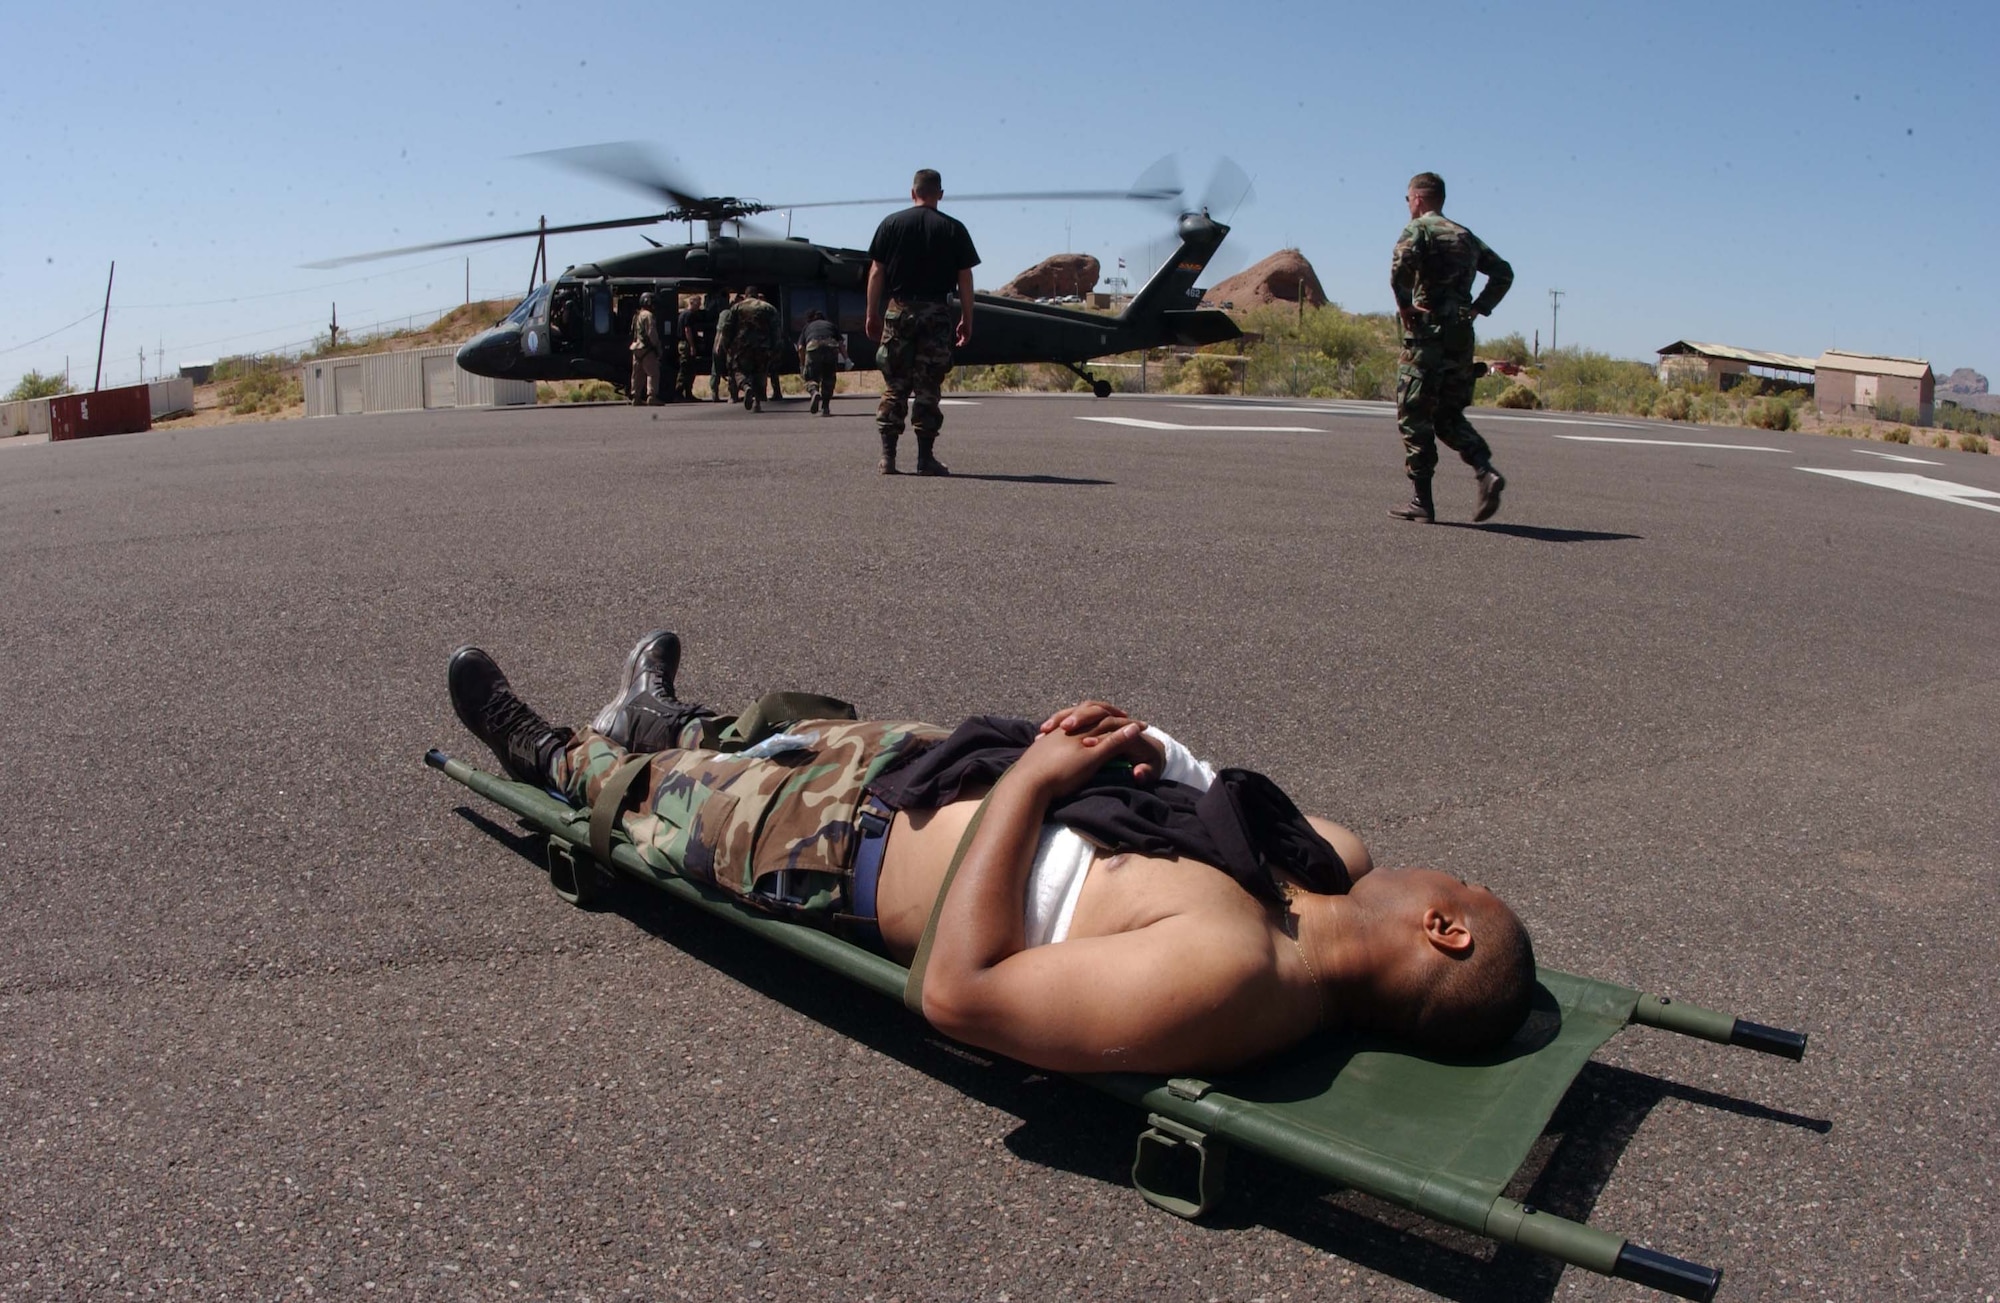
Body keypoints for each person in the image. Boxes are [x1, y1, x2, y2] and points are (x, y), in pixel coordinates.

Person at [445, 632, 1537, 1076]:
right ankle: (661, 714)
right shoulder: (1321, 878)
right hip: (922, 774)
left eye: (1462, 885)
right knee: (779, 731)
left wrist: (1032, 782)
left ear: (1443, 928)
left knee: (658, 800)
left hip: (838, 846)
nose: (1446, 865)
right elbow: (1229, 813)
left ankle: (551, 751)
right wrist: (1128, 745)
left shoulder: (1236, 973)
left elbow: (962, 997)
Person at [1389, 172, 1514, 524]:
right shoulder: (1466, 236)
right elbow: (1503, 272)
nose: (1408, 206)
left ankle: (1421, 501)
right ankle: (1484, 470)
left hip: (1426, 338)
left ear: (1418, 198)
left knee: (1414, 414)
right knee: (1447, 416)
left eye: (1408, 199)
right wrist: (1478, 308)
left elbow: (1399, 271)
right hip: (1460, 339)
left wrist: (1405, 307)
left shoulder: (1420, 230)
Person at [865, 168, 979, 476]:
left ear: (912, 192)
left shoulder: (891, 224)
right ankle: (925, 458)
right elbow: (965, 278)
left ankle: (888, 457)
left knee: (895, 384)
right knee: (928, 385)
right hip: (936, 314)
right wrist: (967, 319)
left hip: (899, 311)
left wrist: (872, 313)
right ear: (940, 194)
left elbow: (876, 272)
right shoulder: (954, 229)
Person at [728, 288, 781, 413]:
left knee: (738, 370)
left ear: (745, 295)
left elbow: (728, 328)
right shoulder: (768, 308)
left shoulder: (736, 308)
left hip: (742, 346)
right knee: (760, 373)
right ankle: (757, 403)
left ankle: (745, 387)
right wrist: (775, 348)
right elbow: (776, 330)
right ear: (757, 295)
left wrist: (727, 345)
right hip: (763, 346)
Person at [798, 309, 843, 416]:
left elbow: (800, 348)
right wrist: (846, 359)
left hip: (814, 347)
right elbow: (841, 344)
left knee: (810, 378)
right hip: (831, 347)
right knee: (829, 378)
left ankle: (814, 392)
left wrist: (803, 364)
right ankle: (825, 407)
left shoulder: (807, 327)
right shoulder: (830, 325)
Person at [676, 293, 719, 402]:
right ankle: (678, 393)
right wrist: (692, 346)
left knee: (690, 369)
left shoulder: (683, 314)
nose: (699, 306)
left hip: (684, 344)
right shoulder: (689, 315)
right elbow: (687, 330)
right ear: (692, 303)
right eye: (698, 304)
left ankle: (688, 393)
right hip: (686, 344)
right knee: (685, 369)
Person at [628, 292, 665, 406]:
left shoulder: (637, 315)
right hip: (647, 349)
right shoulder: (648, 315)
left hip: (636, 348)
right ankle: (652, 396)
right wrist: (657, 347)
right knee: (653, 373)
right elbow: (652, 333)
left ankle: (635, 397)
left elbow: (634, 333)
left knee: (637, 374)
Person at [710, 295, 740, 404]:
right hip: (725, 344)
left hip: (725, 344)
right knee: (728, 369)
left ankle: (716, 393)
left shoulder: (728, 313)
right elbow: (721, 331)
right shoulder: (729, 313)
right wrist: (718, 345)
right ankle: (727, 394)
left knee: (718, 370)